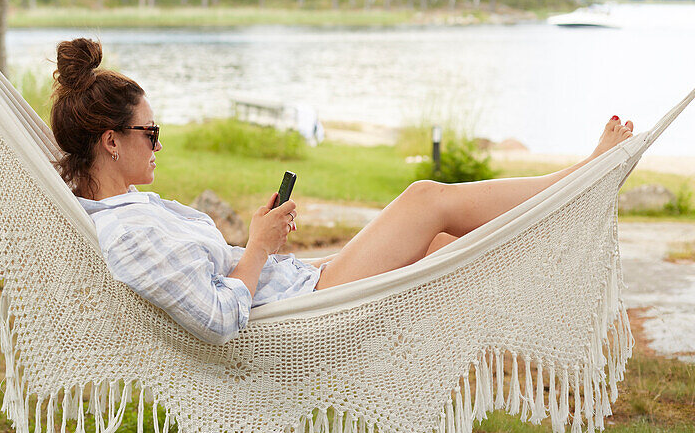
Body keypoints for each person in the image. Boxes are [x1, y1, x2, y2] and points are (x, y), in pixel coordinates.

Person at [50, 38, 635, 345]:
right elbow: (216, 318)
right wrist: (255, 249)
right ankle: (580, 182)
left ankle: (562, 235)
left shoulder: (134, 210)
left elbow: (221, 278)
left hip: (305, 283)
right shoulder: (126, 232)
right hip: (308, 310)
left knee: (448, 249)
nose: (158, 143)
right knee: (424, 199)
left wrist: (265, 245)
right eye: (150, 132)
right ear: (110, 141)